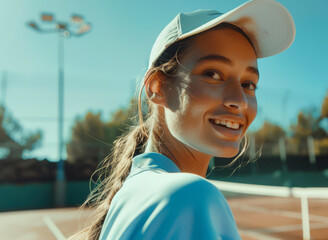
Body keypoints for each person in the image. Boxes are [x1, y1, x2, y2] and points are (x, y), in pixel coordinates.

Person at [70, 0, 295, 239]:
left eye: (248, 84)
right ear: (157, 87)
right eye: (213, 74)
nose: (239, 100)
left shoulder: (133, 194)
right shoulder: (189, 196)